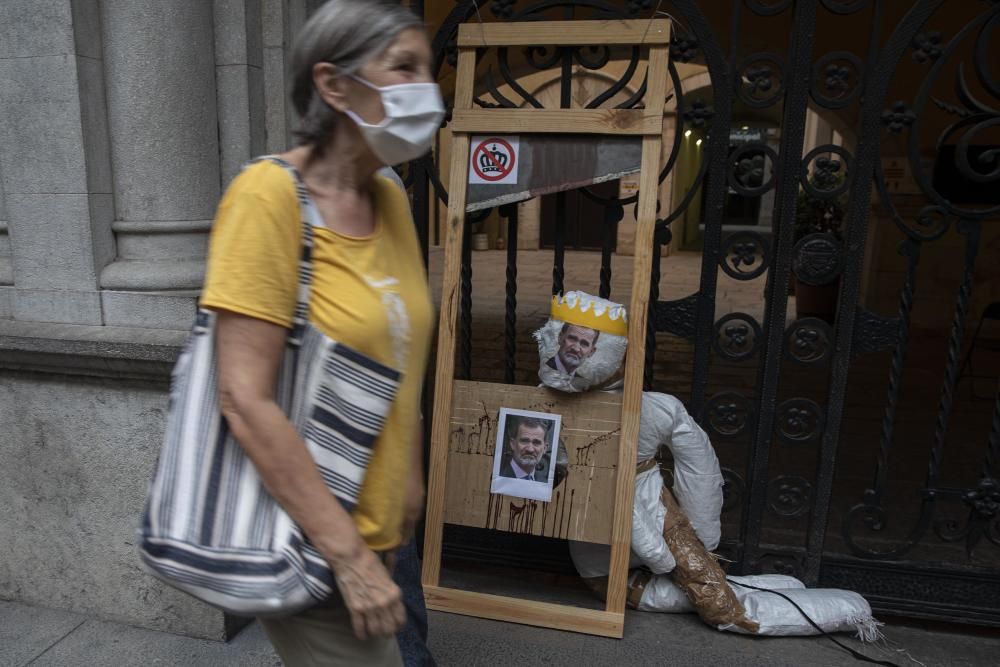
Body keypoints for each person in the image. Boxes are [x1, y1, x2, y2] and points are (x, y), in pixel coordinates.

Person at [199, 1, 442, 665]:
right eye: (404, 67)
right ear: (333, 85)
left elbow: (402, 349)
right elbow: (243, 398)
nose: (428, 87)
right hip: (315, 541)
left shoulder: (388, 194)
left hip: (389, 529)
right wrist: (351, 557)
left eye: (428, 67)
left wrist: (411, 484)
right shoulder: (267, 197)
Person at [499, 417, 551, 482]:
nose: (530, 449)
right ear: (512, 444)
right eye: (524, 441)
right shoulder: (497, 478)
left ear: (545, 448)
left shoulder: (545, 483)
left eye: (536, 443)